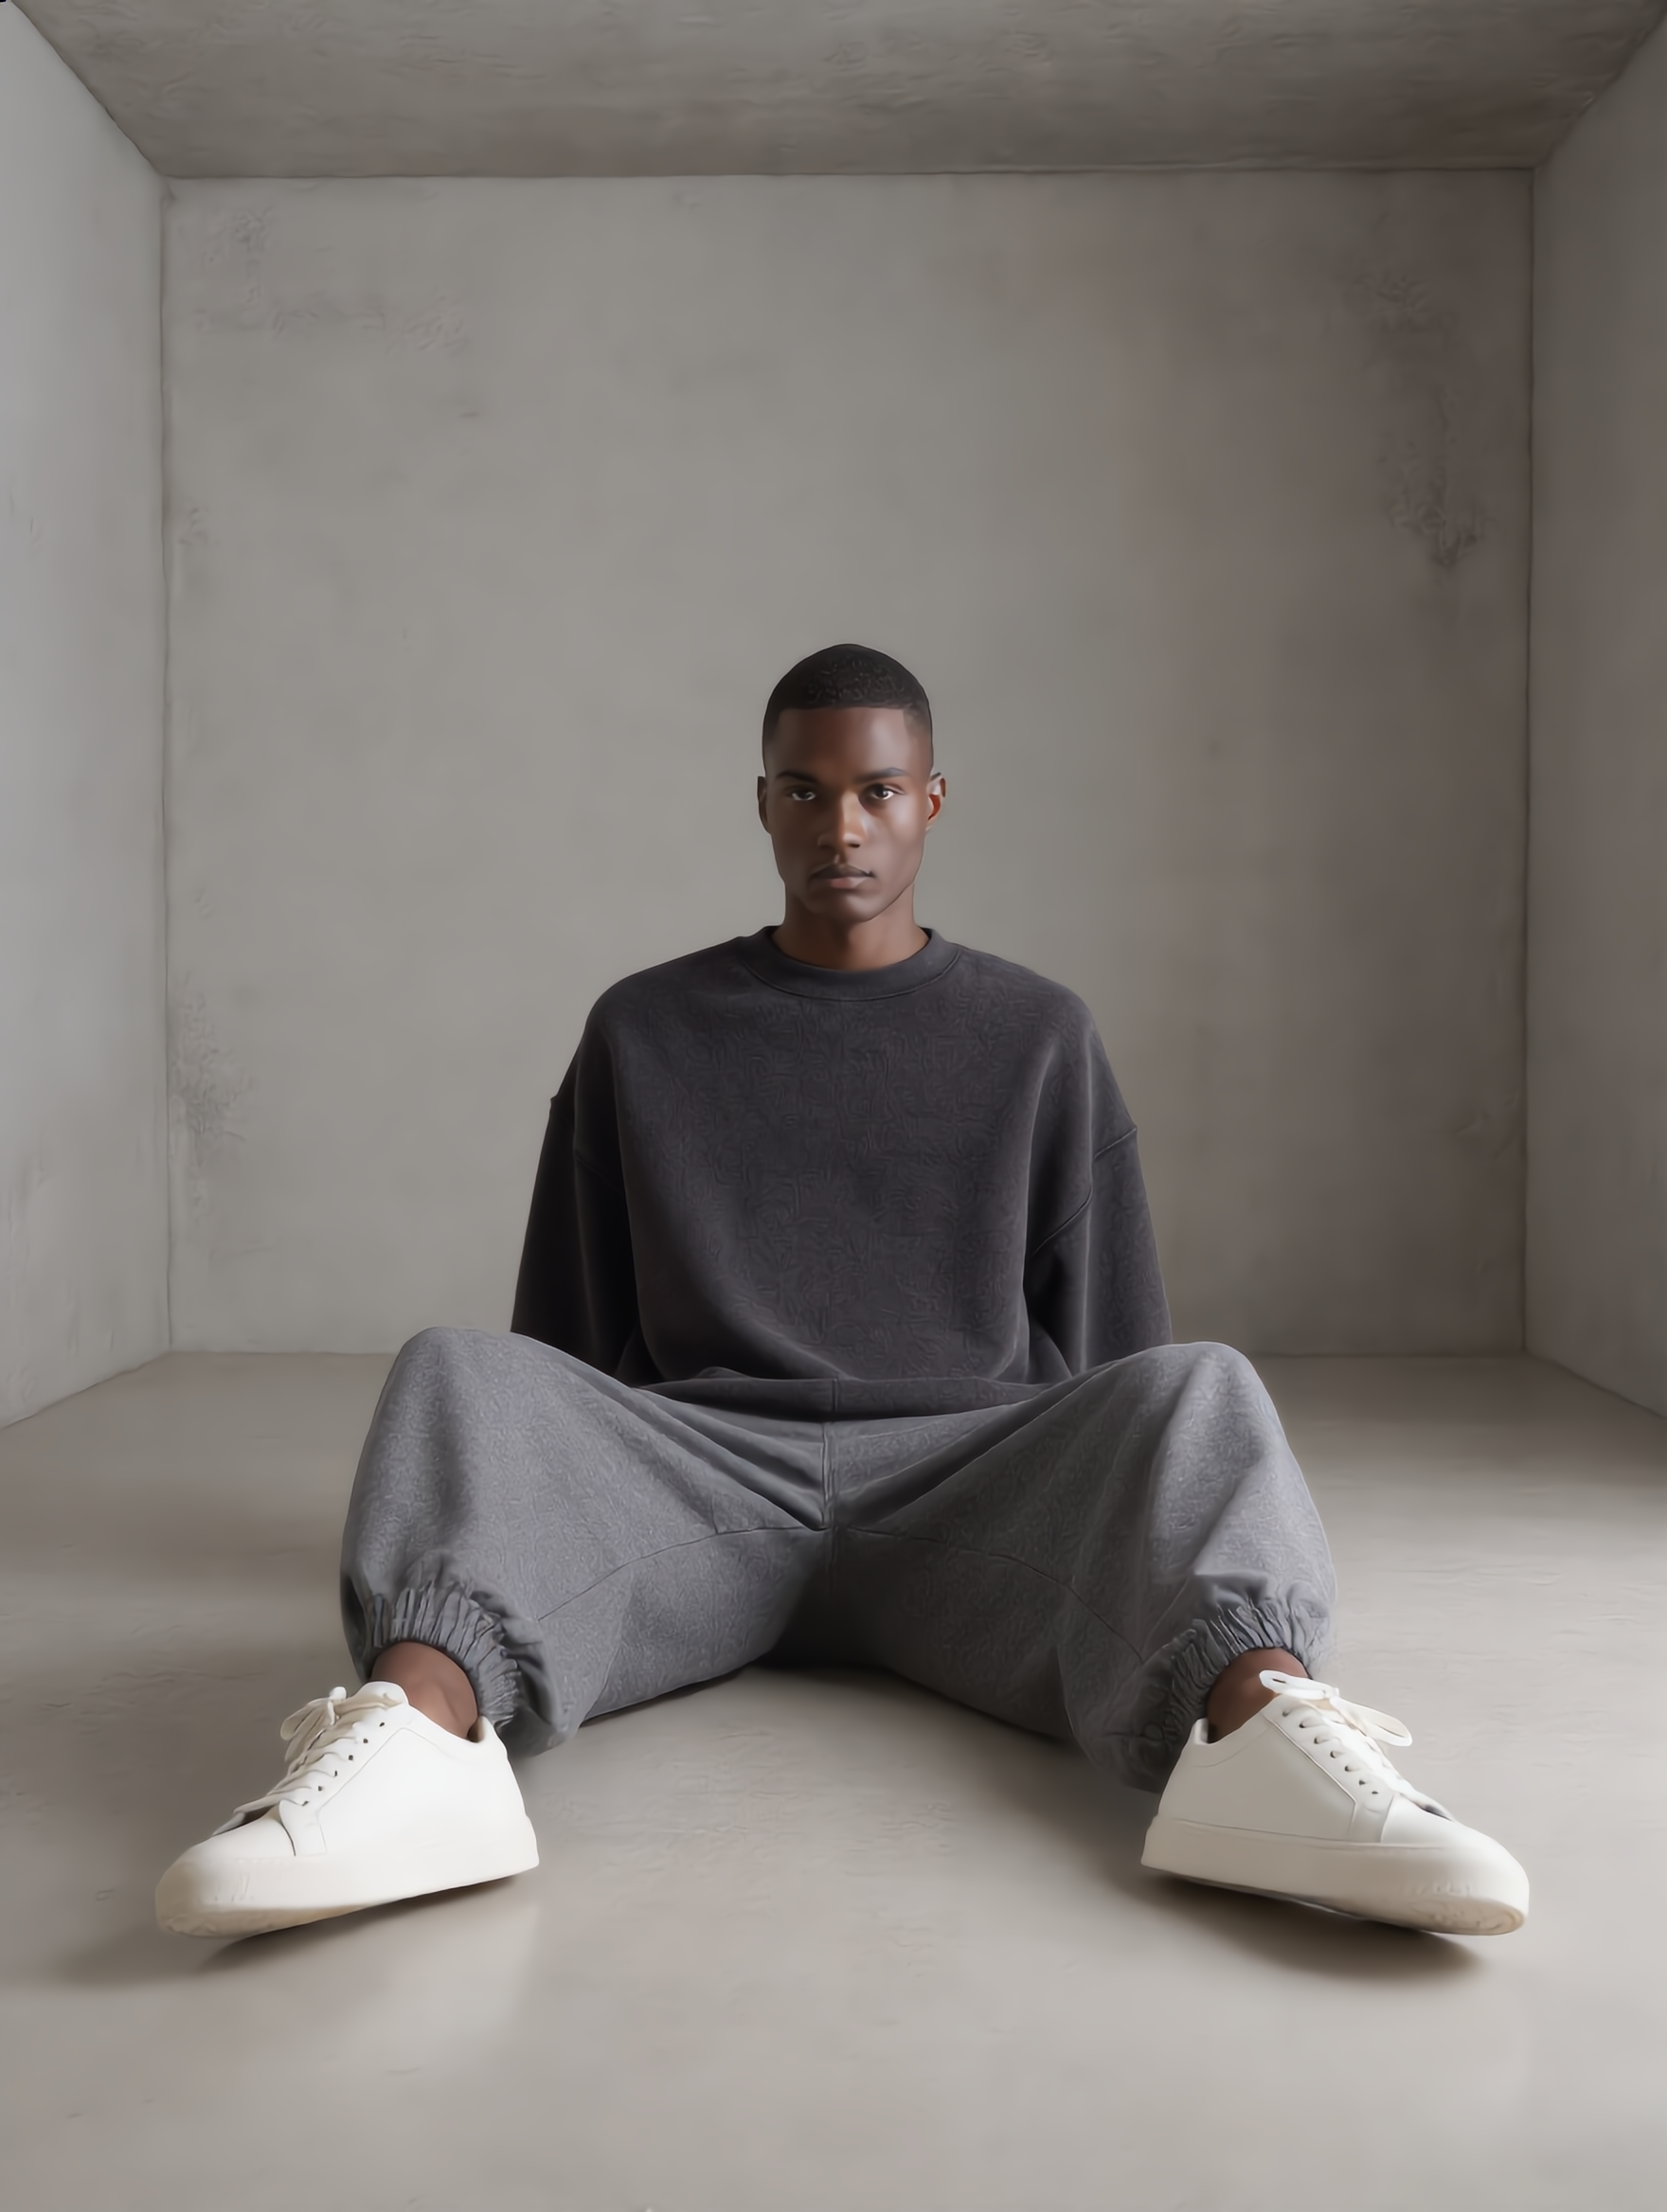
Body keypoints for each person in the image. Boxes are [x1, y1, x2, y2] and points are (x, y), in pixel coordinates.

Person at [155, 644, 1529, 1942]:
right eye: (805, 792)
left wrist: (1142, 1525)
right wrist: (538, 1503)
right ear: (761, 802)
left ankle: (1259, 1735)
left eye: (877, 792)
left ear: (932, 800)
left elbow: (1123, 1369)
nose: (842, 829)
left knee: (1204, 1387)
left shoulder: (1037, 1034)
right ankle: (417, 1746)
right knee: (455, 1371)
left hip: (970, 1491)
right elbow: (554, 1369)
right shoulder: (645, 1029)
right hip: (702, 1482)